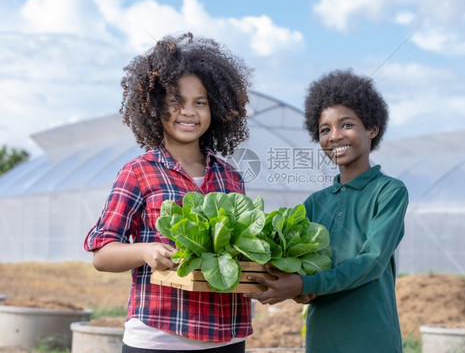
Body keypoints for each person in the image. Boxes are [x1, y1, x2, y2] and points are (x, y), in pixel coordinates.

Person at [84, 32, 253, 353]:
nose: (188, 112)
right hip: (159, 336)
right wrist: (145, 252)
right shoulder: (138, 171)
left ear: (215, 109)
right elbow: (101, 254)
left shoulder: (231, 177)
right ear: (154, 106)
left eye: (200, 103)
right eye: (176, 101)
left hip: (227, 336)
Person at [246, 69, 409, 352]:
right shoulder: (314, 203)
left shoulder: (389, 192)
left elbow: (372, 262)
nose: (334, 136)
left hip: (372, 338)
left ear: (372, 128)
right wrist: (294, 287)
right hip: (322, 337)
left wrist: (301, 284)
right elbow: (297, 263)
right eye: (324, 129)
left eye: (346, 125)